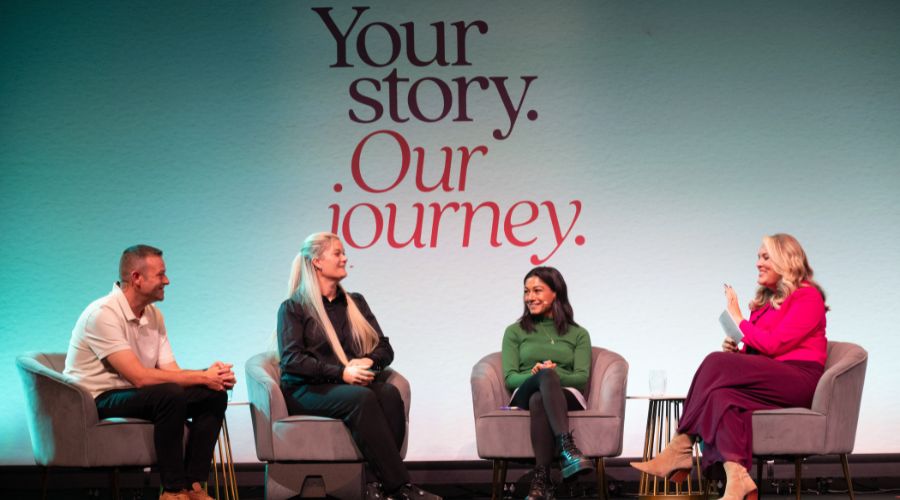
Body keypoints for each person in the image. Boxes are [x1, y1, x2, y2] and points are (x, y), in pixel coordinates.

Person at [630, 233, 828, 500]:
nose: (758, 263)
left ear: (786, 260)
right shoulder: (765, 304)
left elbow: (775, 345)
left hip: (797, 380)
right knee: (720, 397)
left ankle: (681, 445)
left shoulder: (808, 296)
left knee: (715, 361)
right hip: (770, 378)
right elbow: (760, 350)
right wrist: (739, 352)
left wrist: (738, 319)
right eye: (758, 257)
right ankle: (738, 480)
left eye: (766, 257)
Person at [276, 232, 441, 500]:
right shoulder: (294, 308)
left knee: (389, 394)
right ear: (317, 262)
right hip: (306, 390)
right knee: (361, 398)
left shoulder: (355, 302)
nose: (344, 258)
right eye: (337, 253)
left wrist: (369, 360)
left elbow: (385, 348)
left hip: (344, 386)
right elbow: (292, 361)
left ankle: (376, 486)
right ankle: (399, 487)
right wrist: (341, 373)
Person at [64, 245, 236, 500]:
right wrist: (202, 376)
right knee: (170, 394)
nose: (167, 281)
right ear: (136, 278)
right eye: (160, 274)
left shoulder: (154, 315)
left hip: (135, 394)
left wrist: (212, 377)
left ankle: (193, 486)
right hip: (98, 398)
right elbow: (140, 377)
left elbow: (171, 371)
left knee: (213, 394)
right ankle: (173, 491)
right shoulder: (103, 314)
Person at [501, 266, 595, 500]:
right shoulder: (514, 332)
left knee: (540, 397)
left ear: (556, 293)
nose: (530, 297)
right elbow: (510, 378)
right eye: (526, 291)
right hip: (524, 391)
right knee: (542, 380)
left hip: (566, 394)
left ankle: (541, 481)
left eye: (537, 290)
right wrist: (535, 374)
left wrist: (554, 373)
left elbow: (581, 378)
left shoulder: (578, 334)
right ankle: (566, 449)